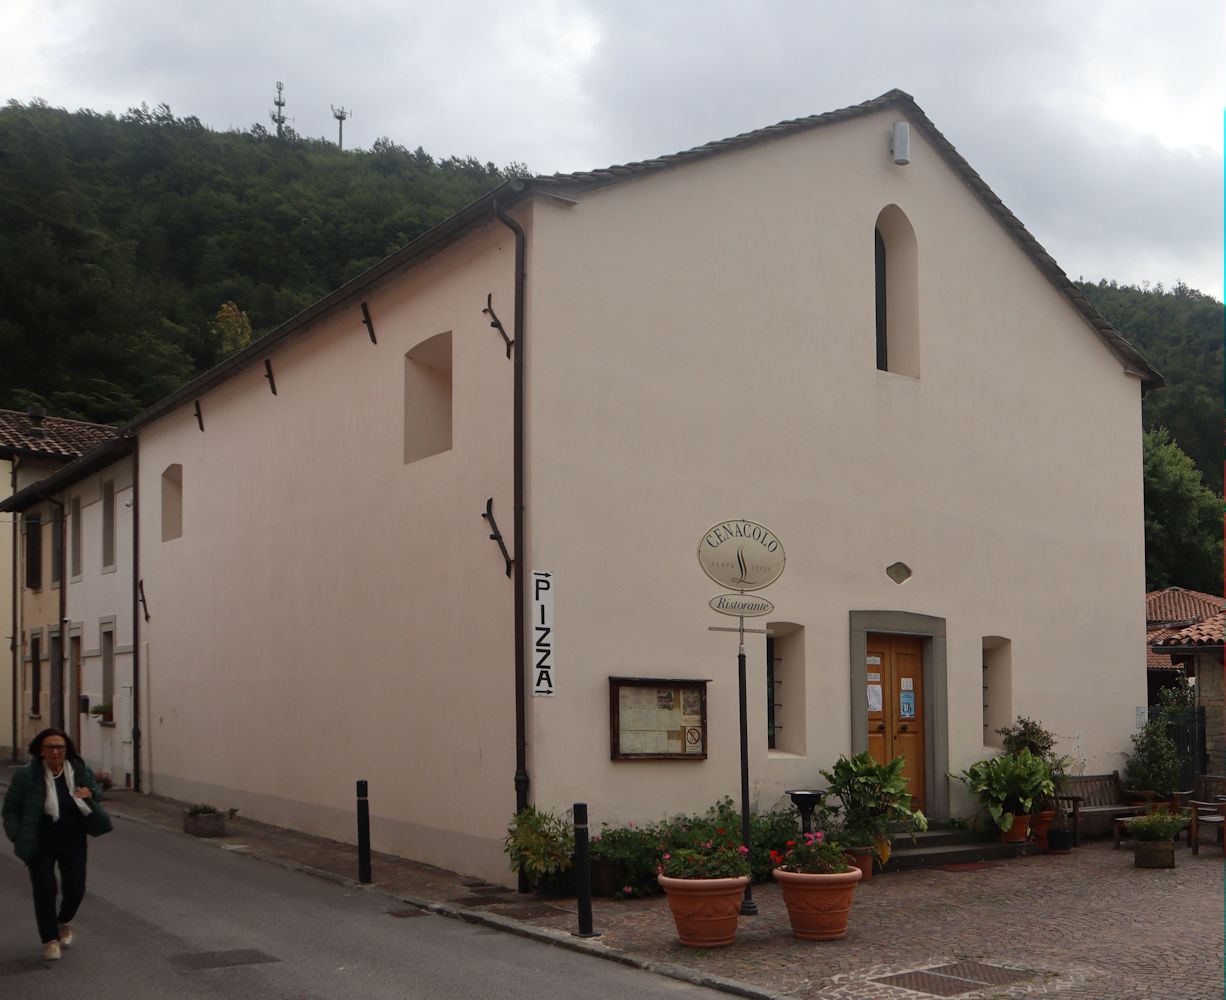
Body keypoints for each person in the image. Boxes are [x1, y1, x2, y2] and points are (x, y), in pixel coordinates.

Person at [2, 728, 104, 961]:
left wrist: (91, 792)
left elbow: (96, 792)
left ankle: (63, 921)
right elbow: (10, 810)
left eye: (60, 747)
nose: (56, 752)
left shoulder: (78, 770)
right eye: (50, 747)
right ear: (40, 751)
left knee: (76, 888)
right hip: (39, 841)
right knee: (45, 889)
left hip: (73, 838)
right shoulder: (27, 775)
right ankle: (50, 940)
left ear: (67, 750)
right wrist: (17, 835)